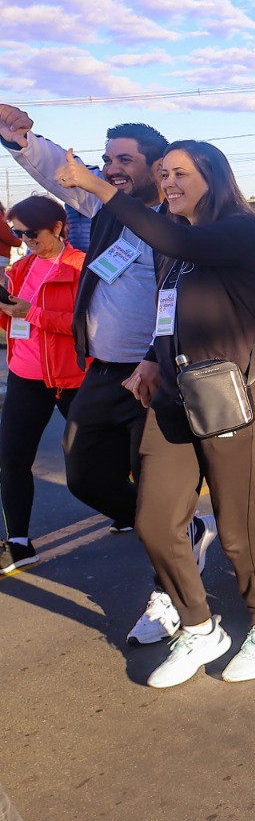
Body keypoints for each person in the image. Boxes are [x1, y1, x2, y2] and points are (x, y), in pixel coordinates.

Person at [55, 141, 255, 687]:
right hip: (174, 394)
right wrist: (149, 359)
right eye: (164, 175)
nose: (168, 183)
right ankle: (200, 627)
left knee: (238, 528)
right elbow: (168, 311)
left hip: (231, 397)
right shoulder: (175, 245)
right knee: (155, 522)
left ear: (213, 176)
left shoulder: (240, 229)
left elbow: (177, 239)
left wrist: (96, 186)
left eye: (180, 173)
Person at [0, 107, 222, 645]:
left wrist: (157, 357)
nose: (112, 169)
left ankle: (170, 594)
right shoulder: (103, 208)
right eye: (107, 161)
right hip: (101, 373)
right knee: (85, 476)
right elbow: (61, 172)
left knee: (158, 499)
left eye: (125, 160)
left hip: (156, 374)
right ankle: (186, 530)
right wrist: (21, 139)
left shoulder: (178, 220)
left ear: (158, 167)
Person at [0, 197, 86, 575]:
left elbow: (85, 324)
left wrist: (31, 312)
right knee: (11, 458)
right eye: (16, 233)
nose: (24, 240)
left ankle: (131, 511)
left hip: (72, 378)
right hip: (24, 376)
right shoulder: (20, 268)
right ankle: (18, 541)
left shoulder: (81, 267)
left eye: (31, 232)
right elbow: (14, 322)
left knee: (95, 461)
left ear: (57, 227)